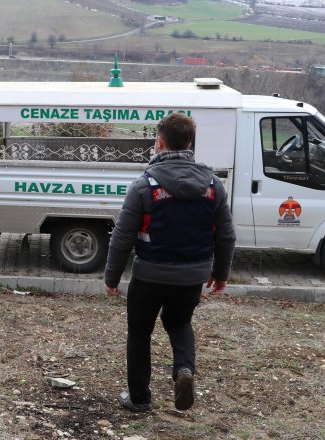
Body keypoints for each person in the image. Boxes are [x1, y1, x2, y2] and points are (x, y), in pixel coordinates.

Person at [104, 113, 236, 413]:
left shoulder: (144, 185)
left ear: (159, 142)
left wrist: (111, 277)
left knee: (139, 333)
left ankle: (139, 399)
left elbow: (122, 236)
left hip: (149, 275)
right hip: (192, 275)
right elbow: (227, 236)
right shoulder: (213, 185)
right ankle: (183, 370)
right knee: (179, 322)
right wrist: (220, 274)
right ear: (190, 143)